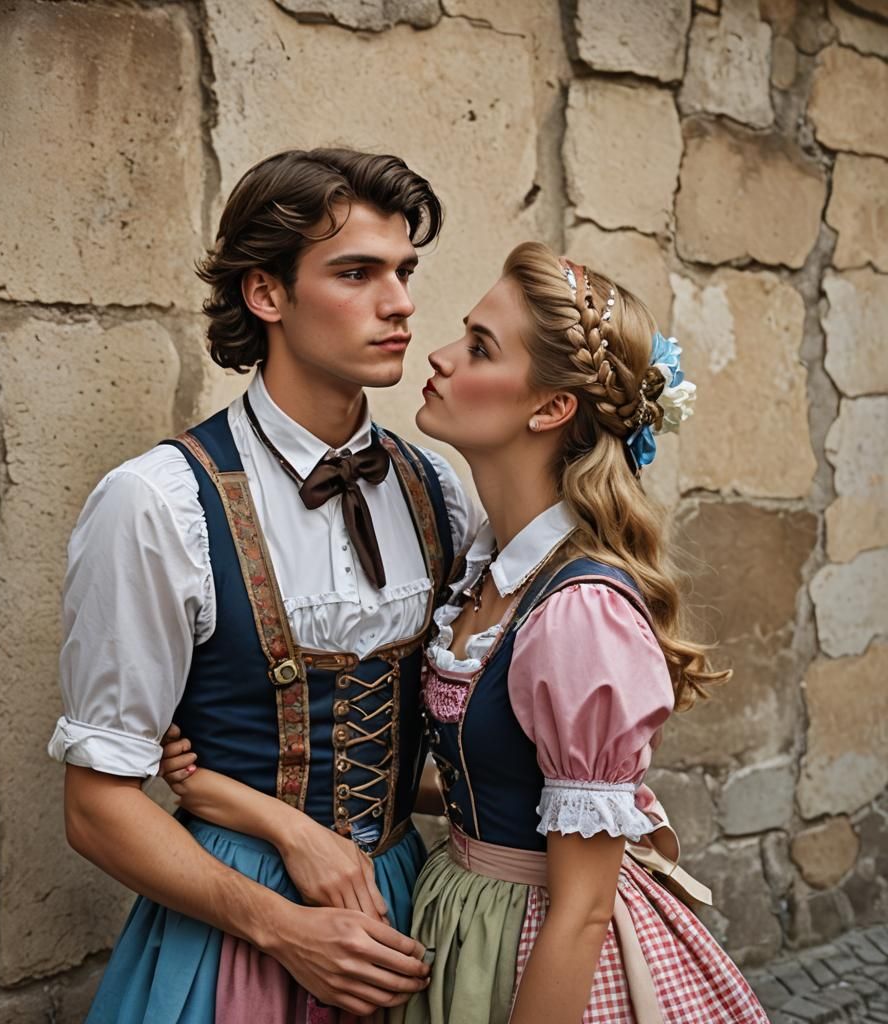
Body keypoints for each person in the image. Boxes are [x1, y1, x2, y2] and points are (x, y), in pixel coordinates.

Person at [164, 242, 769, 1022]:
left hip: (542, 951)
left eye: (480, 347)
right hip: (461, 923)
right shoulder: (480, 565)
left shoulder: (578, 611)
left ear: (550, 408)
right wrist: (226, 784)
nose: (439, 355)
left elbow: (580, 909)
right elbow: (486, 783)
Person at [48, 147, 477, 1023]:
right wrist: (283, 924)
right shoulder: (156, 503)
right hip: (238, 928)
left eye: (403, 271)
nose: (398, 303)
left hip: (403, 906)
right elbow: (95, 810)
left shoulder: (438, 489)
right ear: (266, 293)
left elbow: (440, 746)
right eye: (355, 273)